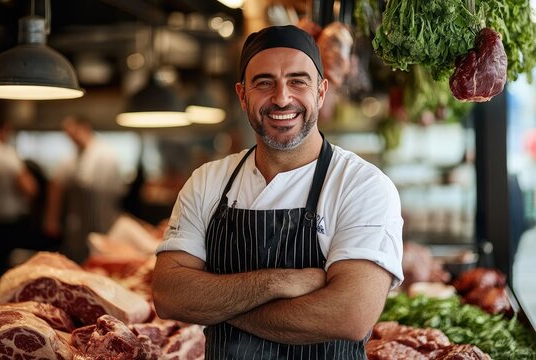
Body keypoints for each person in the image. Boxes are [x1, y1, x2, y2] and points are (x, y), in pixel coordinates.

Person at [152, 25, 403, 359]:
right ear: (243, 95)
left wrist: (217, 308)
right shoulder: (208, 181)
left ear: (321, 92)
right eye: (264, 82)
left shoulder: (362, 186)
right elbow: (170, 295)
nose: (282, 97)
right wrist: (278, 283)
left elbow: (350, 315)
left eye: (297, 81)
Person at [44, 115, 125, 264]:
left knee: (100, 260)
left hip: (103, 219)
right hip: (78, 223)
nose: (70, 138)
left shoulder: (105, 154)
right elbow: (56, 183)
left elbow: (109, 191)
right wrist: (52, 218)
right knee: (77, 261)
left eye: (72, 132)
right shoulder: (72, 156)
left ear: (84, 128)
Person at [0, 107, 38, 279]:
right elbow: (30, 188)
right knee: (7, 275)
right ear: (5, 128)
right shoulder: (7, 154)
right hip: (7, 224)